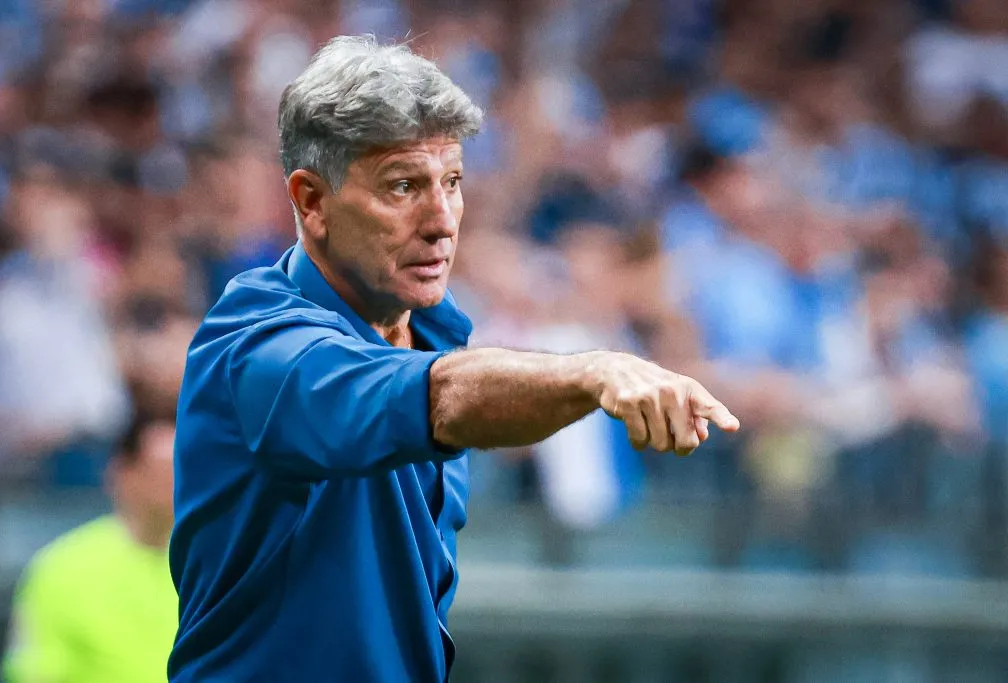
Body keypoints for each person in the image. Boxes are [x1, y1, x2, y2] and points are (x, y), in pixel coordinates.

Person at [169, 35, 740, 683]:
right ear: (311, 202)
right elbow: (438, 396)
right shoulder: (254, 343)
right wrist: (592, 371)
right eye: (403, 185)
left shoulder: (439, 330)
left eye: (454, 182)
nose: (442, 220)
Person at [2, 412, 178, 683]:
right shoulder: (61, 568)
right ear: (122, 473)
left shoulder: (215, 563)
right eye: (164, 471)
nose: (175, 483)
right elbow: (36, 672)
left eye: (184, 469)